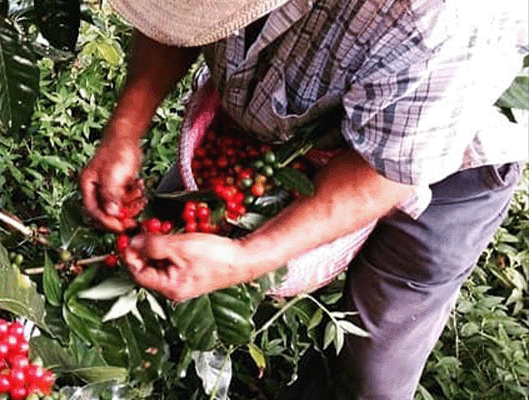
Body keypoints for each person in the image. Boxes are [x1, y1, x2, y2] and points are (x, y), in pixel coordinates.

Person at [80, 0, 528, 398]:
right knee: (173, 234)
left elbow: (381, 176)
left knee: (375, 361)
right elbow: (177, 18)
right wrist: (125, 130)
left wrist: (247, 258)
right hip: (283, 118)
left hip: (440, 159)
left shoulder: (443, 19)